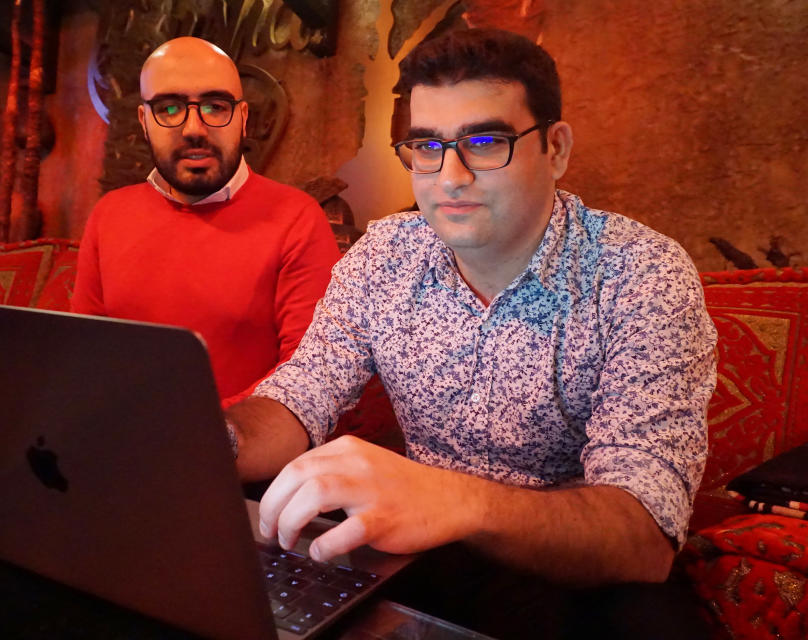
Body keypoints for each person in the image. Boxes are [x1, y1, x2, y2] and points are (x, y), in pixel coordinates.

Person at [225, 26, 717, 597]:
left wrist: (452, 500)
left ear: (554, 149)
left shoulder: (640, 275)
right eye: (428, 147)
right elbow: (299, 397)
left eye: (485, 143)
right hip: (419, 561)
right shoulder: (386, 255)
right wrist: (212, 441)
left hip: (575, 582)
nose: (450, 178)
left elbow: (642, 537)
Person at [72, 37, 340, 407]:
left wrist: (196, 431)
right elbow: (86, 355)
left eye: (215, 106)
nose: (194, 128)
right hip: (120, 441)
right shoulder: (108, 215)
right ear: (144, 121)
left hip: (240, 452)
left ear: (243, 119)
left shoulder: (297, 219)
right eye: (169, 108)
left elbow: (311, 377)